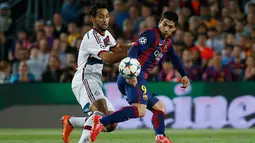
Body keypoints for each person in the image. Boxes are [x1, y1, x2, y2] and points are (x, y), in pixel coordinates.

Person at [90, 11, 190, 143]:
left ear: (174, 28)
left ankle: (160, 136)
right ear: (160, 22)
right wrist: (131, 73)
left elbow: (174, 57)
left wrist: (183, 74)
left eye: (170, 27)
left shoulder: (167, 42)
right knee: (140, 110)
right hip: (133, 75)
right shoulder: (151, 34)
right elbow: (133, 50)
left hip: (138, 77)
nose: (166, 28)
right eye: (164, 24)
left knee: (160, 108)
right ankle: (102, 122)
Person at [61, 2, 132, 143]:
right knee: (99, 116)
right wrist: (133, 52)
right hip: (84, 79)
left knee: (111, 123)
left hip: (95, 81)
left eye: (107, 16)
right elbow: (109, 58)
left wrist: (138, 45)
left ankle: (71, 122)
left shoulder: (106, 35)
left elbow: (118, 49)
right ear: (93, 18)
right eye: (101, 17)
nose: (105, 20)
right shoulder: (91, 37)